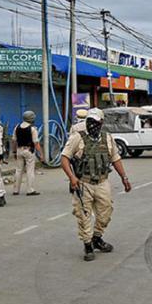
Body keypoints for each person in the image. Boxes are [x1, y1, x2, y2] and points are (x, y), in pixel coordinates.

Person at [60, 108, 131, 262]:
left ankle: (97, 237)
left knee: (106, 212)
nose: (92, 125)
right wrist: (72, 178)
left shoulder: (107, 138)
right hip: (83, 183)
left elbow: (115, 159)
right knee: (83, 215)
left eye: (95, 122)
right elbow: (64, 158)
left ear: (101, 122)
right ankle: (87, 245)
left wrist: (124, 178)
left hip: (102, 181)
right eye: (89, 121)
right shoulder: (77, 137)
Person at [12, 110, 43, 196]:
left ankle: (16, 190)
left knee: (18, 170)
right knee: (30, 170)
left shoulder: (17, 127)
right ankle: (30, 190)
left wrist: (14, 151)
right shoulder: (32, 129)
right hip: (29, 151)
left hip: (19, 150)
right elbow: (36, 143)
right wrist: (41, 154)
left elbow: (14, 141)